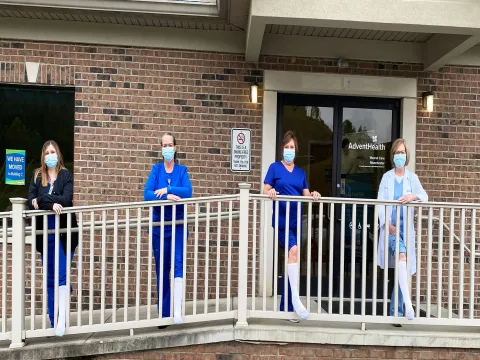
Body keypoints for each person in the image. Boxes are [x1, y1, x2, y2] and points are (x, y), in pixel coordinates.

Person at [263, 131, 320, 320]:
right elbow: (265, 189)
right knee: (293, 251)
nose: (289, 150)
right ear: (282, 149)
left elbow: (306, 193)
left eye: (292, 147)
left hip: (297, 221)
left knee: (292, 260)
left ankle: (285, 308)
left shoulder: (301, 173)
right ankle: (295, 301)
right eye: (286, 147)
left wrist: (314, 195)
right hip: (282, 221)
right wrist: (270, 192)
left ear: (296, 150)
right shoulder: (274, 168)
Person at [27, 140, 78, 337]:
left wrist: (42, 200)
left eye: (53, 151)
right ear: (43, 155)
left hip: (64, 233)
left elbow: (66, 199)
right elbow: (30, 204)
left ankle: (62, 320)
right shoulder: (37, 175)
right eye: (47, 152)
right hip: (45, 233)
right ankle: (52, 319)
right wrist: (47, 203)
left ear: (58, 154)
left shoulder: (66, 175)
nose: (50, 155)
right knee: (50, 278)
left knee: (62, 275)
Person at [144, 132, 192, 326]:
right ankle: (164, 314)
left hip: (178, 225)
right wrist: (165, 198)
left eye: (170, 145)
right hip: (159, 227)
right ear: (161, 149)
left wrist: (169, 190)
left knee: (178, 264)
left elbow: (187, 191)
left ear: (175, 147)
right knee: (162, 269)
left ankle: (177, 311)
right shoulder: (156, 170)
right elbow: (147, 194)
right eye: (164, 145)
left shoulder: (182, 171)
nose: (167, 149)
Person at [377, 138, 427, 322]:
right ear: (393, 156)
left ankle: (396, 313)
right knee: (402, 257)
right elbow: (380, 203)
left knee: (402, 268)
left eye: (402, 152)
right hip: (392, 230)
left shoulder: (412, 178)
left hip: (406, 230)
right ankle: (407, 304)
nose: (400, 155)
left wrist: (413, 195)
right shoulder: (387, 177)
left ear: (407, 156)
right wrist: (387, 225)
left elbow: (425, 196)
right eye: (397, 152)